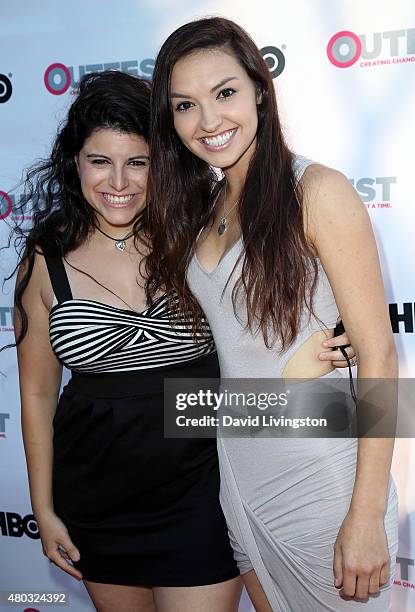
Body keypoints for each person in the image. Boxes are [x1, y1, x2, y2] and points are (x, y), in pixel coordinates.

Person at [145, 17, 399, 612]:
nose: (208, 121)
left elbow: (381, 356)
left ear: (260, 88)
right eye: (186, 104)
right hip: (238, 477)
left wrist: (364, 515)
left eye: (225, 93)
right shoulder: (204, 209)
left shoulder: (318, 190)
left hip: (321, 481)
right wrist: (285, 382)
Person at [13, 70, 243, 612]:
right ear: (75, 162)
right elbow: (38, 394)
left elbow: (266, 326)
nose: (119, 181)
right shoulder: (46, 258)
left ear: (160, 163)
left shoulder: (198, 235)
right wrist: (43, 509)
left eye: (137, 161)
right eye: (100, 161)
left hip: (201, 496)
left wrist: (340, 347)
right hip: (96, 503)